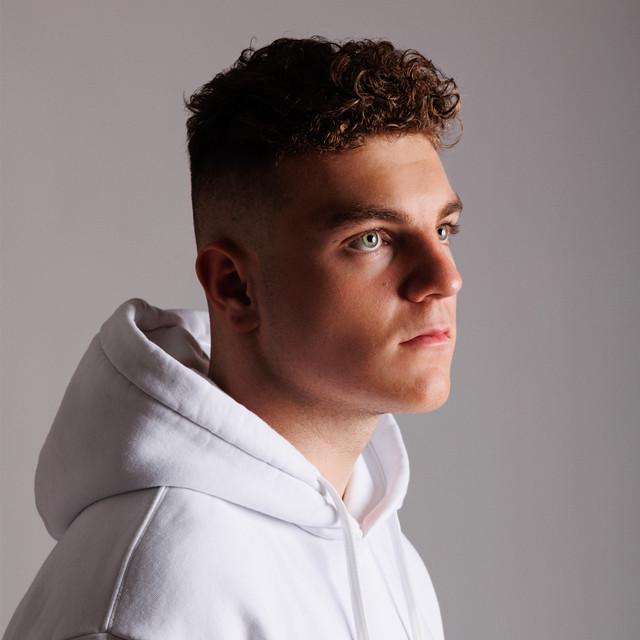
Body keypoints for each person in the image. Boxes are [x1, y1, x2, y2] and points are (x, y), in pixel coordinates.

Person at [2, 35, 463, 640]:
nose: (444, 278)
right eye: (371, 239)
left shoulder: (384, 548)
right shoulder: (155, 592)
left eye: (444, 230)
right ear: (234, 286)